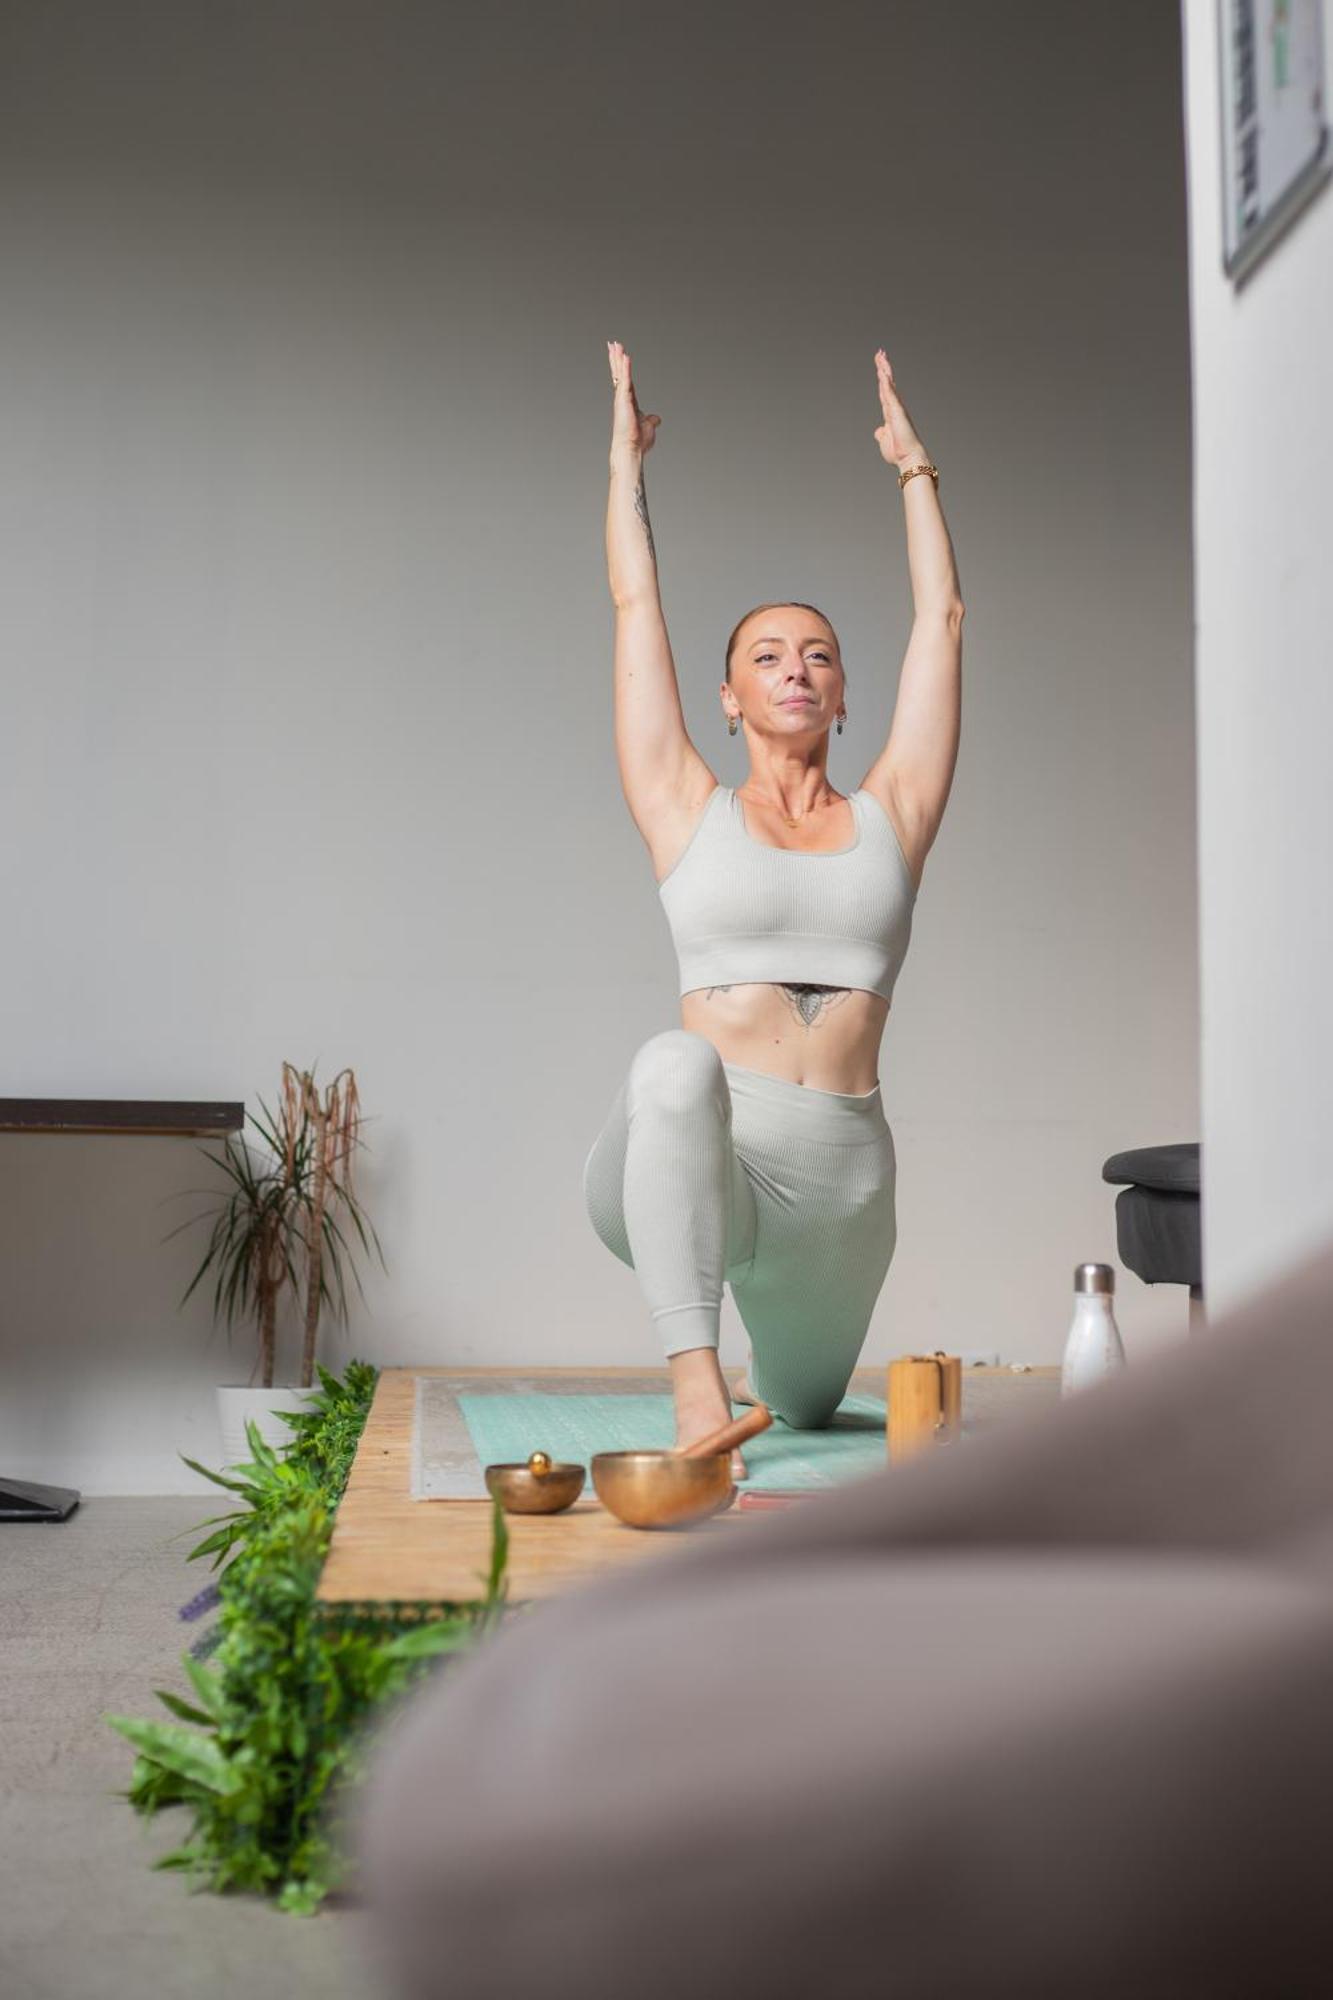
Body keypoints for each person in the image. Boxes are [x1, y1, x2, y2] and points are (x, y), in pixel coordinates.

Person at [582, 340, 965, 1475]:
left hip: (839, 1196)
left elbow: (941, 621)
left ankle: (756, 1377)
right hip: (707, 1154)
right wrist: (624, 470)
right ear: (730, 695)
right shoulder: (683, 806)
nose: (794, 668)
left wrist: (914, 472)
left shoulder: (894, 810)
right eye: (767, 654)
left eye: (818, 656)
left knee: (802, 1407)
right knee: (671, 1065)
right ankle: (697, 1393)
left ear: (844, 695)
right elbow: (632, 597)